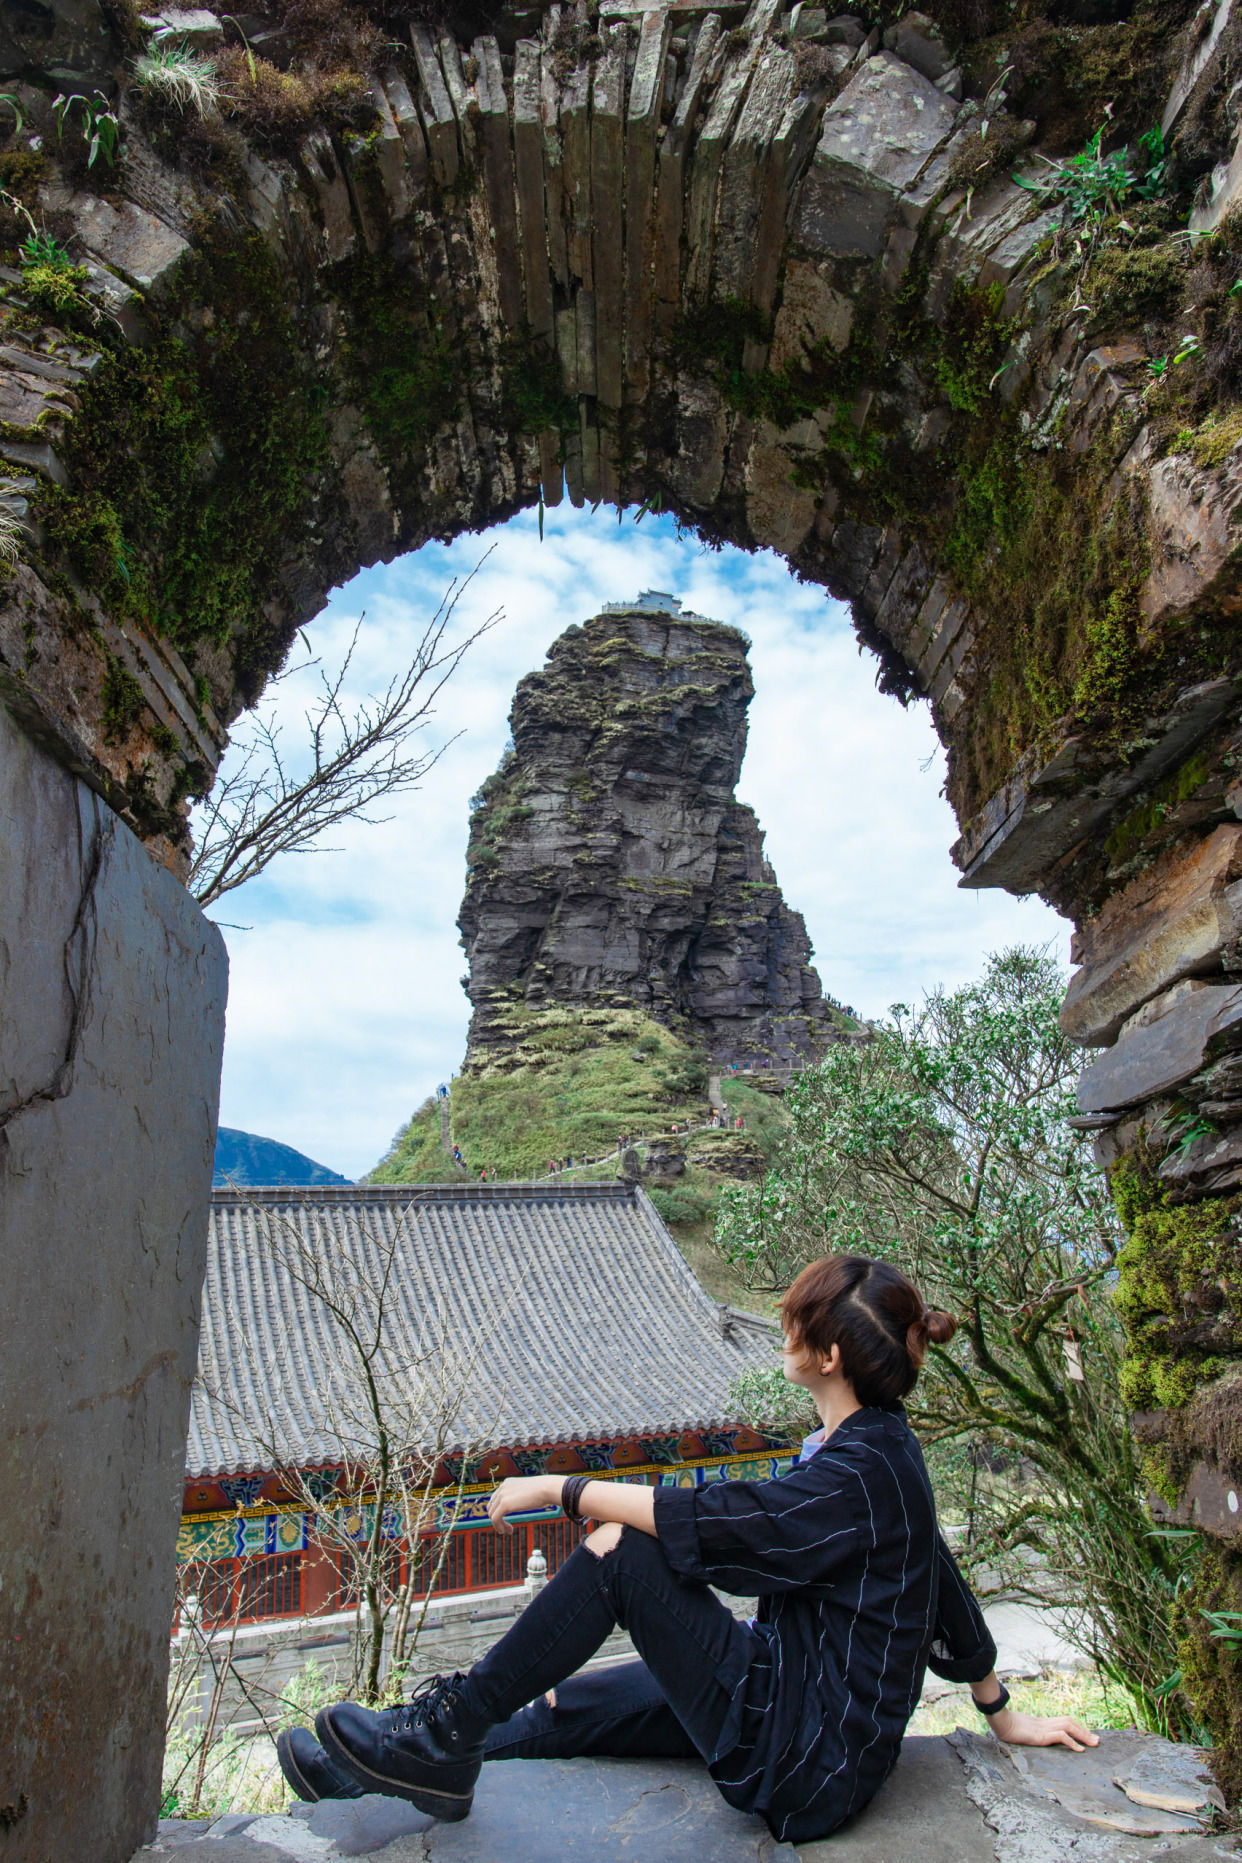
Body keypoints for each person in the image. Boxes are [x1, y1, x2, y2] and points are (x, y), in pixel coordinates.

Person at [275, 1254, 1097, 1842]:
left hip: (804, 1762)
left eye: (795, 1319)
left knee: (627, 1551)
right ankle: (382, 1769)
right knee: (569, 1704)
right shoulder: (880, 1448)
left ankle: (443, 1729)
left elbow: (715, 1520)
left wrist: (560, 1486)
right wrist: (1001, 1709)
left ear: (830, 1354)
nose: (782, 1325)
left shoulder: (856, 1471)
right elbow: (941, 1576)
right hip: (792, 1697)